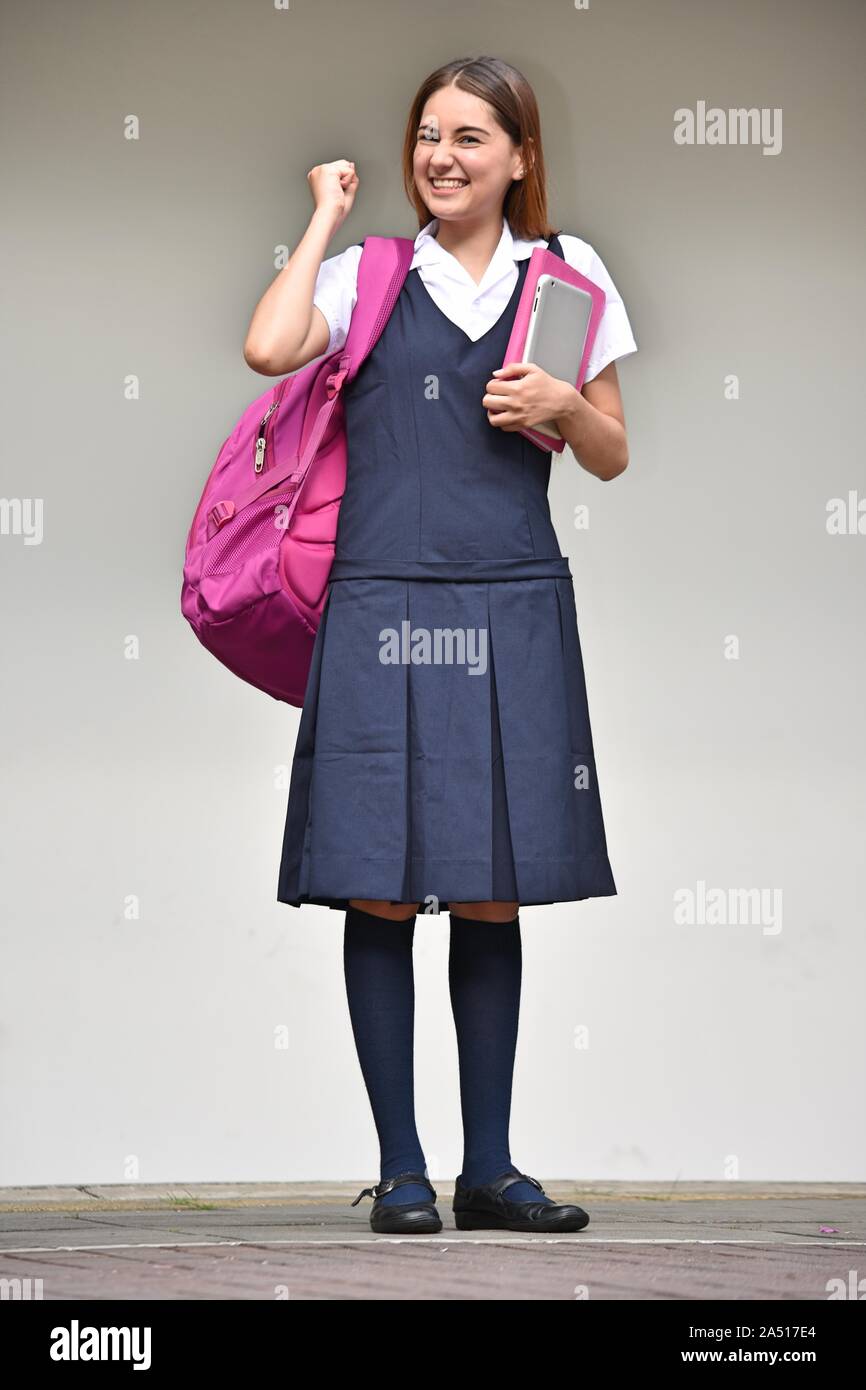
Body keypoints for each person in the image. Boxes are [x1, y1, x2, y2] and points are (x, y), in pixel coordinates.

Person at [243, 55, 637, 1235]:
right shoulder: (368, 273)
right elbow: (269, 348)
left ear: (519, 156)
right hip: (378, 605)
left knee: (487, 894)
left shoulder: (565, 280)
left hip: (510, 600)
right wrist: (322, 213)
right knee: (376, 887)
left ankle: (492, 1169)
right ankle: (404, 1169)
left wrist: (566, 412)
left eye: (470, 136)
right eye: (427, 134)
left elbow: (612, 451)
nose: (442, 155)